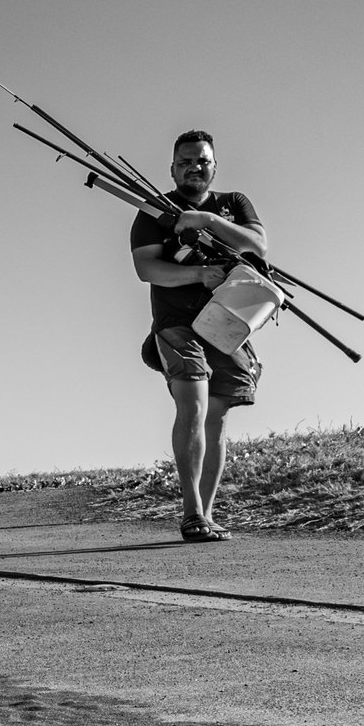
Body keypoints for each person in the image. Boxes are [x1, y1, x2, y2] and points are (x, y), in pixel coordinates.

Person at [130, 130, 268, 541]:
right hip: (176, 322)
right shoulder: (154, 212)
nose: (194, 167)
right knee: (192, 403)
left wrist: (206, 221)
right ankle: (192, 513)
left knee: (218, 417)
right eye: (186, 161)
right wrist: (197, 274)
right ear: (172, 168)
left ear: (214, 166)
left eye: (202, 161)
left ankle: (205, 514)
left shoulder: (234, 204)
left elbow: (258, 247)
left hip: (227, 319)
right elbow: (147, 269)